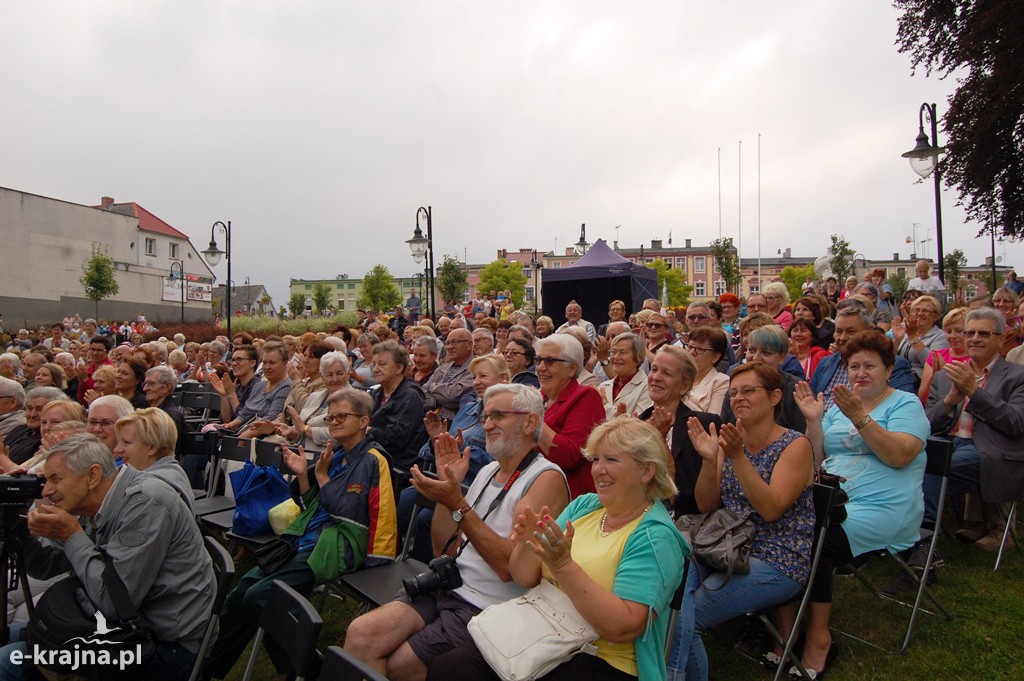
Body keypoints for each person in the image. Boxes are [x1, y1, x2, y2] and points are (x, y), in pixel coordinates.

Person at [430, 417, 686, 681]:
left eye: (612, 460)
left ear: (647, 471)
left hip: (603, 659)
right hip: (543, 634)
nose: (598, 470)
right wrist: (528, 543)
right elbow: (523, 576)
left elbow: (622, 628)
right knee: (448, 669)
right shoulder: (585, 506)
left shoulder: (655, 536)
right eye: (596, 459)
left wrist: (563, 566)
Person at [343, 383, 570, 681]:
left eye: (498, 416)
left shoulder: (546, 479)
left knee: (396, 666)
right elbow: (444, 550)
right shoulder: (489, 471)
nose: (487, 425)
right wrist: (447, 490)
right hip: (447, 585)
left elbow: (509, 569)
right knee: (360, 635)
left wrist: (458, 503)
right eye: (485, 416)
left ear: (530, 423)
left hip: (487, 607)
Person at [205, 388, 398, 678]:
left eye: (342, 416)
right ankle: (209, 671)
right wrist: (305, 478)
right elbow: (316, 507)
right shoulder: (337, 456)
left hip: (338, 547)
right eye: (331, 418)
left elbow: (353, 513)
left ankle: (310, 671)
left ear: (363, 421)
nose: (333, 422)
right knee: (242, 592)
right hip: (307, 536)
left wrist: (320, 478)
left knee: (260, 597)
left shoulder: (373, 460)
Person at [0, 433, 214, 681]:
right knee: (16, 633)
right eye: (45, 480)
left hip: (162, 647)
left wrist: (71, 535)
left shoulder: (146, 502)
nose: (47, 490)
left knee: (7, 661)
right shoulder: (100, 503)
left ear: (92, 475)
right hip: (120, 629)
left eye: (55, 479)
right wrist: (16, 522)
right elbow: (48, 567)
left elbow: (114, 603)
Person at [791, 331, 929, 677]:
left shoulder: (905, 404)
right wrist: (813, 421)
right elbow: (814, 458)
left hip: (884, 509)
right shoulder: (840, 407)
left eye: (870, 366)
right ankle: (786, 626)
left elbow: (899, 455)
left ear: (888, 369)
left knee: (815, 542)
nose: (860, 373)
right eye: (854, 367)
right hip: (833, 500)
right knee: (784, 526)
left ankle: (818, 637)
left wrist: (860, 417)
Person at [668, 362, 814, 680]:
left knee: (679, 616)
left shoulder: (795, 445)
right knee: (670, 595)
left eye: (748, 391)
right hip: (721, 542)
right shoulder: (731, 439)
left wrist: (737, 457)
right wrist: (710, 460)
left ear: (775, 397)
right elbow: (708, 504)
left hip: (776, 557)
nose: (738, 398)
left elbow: (771, 509)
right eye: (734, 393)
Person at [922, 308, 1024, 553]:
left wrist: (974, 392)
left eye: (983, 333)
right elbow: (926, 424)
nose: (974, 338)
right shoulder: (946, 375)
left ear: (1000, 338)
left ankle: (923, 539)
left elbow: (1016, 421)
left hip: (989, 449)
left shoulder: (1017, 376)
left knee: (932, 464)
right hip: (947, 442)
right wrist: (948, 402)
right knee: (905, 457)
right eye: (969, 333)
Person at [640, 345, 721, 515]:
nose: (656, 377)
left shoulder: (702, 425)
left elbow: (681, 495)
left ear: (684, 387)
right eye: (654, 369)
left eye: (667, 373)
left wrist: (660, 440)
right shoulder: (636, 424)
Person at [535, 334, 605, 498]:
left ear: (572, 368)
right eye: (538, 360)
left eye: (550, 361)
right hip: (533, 488)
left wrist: (533, 416)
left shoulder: (585, 396)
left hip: (567, 499)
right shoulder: (540, 397)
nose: (541, 368)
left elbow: (569, 456)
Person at [810, 305, 916, 411]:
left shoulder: (894, 364)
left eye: (851, 332)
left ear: (869, 331)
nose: (842, 337)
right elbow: (811, 401)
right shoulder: (825, 363)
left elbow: (902, 408)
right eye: (839, 331)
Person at [722, 326, 806, 432]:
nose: (756, 358)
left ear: (782, 357)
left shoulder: (795, 388)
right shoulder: (736, 384)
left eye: (766, 352)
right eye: (751, 350)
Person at [114, 407, 193, 510]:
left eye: (126, 443)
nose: (117, 449)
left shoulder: (149, 497)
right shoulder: (173, 472)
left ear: (152, 448)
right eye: (119, 442)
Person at [368, 340, 428, 470]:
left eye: (382, 364)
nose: (376, 369)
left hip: (398, 464)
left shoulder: (410, 396)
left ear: (399, 368)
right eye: (374, 364)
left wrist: (366, 431)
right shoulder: (376, 394)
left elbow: (396, 438)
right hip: (374, 456)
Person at [917, 308, 970, 404]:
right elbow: (922, 398)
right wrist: (934, 376)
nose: (953, 336)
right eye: (948, 331)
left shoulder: (975, 358)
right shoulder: (936, 356)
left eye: (959, 331)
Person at [421, 328, 475, 420]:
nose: (449, 347)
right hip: (429, 420)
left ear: (469, 345)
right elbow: (422, 393)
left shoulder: (476, 368)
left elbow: (453, 395)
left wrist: (432, 387)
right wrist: (437, 401)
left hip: (454, 423)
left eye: (454, 342)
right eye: (447, 343)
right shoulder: (443, 367)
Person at [893, 294, 949, 383]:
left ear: (936, 316)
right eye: (916, 310)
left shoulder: (940, 336)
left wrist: (913, 337)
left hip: (918, 381)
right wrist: (897, 340)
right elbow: (890, 358)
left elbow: (933, 364)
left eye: (925, 311)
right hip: (897, 375)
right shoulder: (906, 330)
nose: (920, 314)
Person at [597, 333, 652, 420]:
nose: (616, 357)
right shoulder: (603, 386)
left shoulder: (648, 388)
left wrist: (605, 405)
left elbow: (638, 424)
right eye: (613, 352)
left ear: (637, 358)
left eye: (623, 353)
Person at [681, 327, 730, 415]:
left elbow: (713, 420)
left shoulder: (721, 381)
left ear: (715, 357)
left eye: (700, 349)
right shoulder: (679, 376)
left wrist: (680, 396)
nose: (692, 352)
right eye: (690, 346)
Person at [991, 287, 1022, 356]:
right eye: (998, 301)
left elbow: (1021, 337)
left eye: (1006, 301)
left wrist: (1013, 324)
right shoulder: (989, 321)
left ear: (1014, 304)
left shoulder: (1020, 319)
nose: (1001, 304)